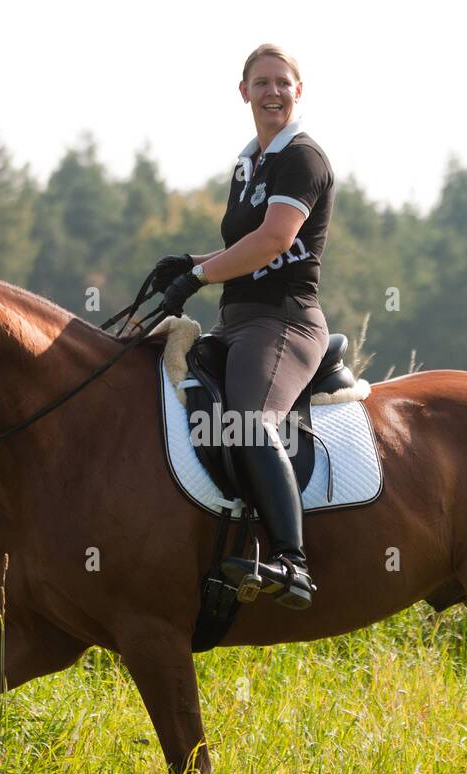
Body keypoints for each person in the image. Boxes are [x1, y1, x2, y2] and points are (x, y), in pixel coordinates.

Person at [155, 44, 335, 611]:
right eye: (262, 83)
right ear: (244, 92)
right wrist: (192, 265)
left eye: (283, 82)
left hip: (285, 321)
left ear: (298, 91)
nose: (273, 92)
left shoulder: (301, 158)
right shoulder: (248, 162)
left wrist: (200, 276)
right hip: (237, 321)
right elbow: (241, 246)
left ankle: (292, 562)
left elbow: (274, 241)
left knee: (251, 423)